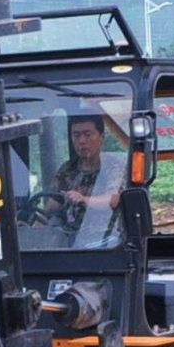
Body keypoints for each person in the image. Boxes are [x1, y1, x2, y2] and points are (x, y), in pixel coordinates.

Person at [46, 105, 126, 248]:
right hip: (71, 239)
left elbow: (112, 200)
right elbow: (52, 206)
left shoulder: (114, 166)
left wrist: (83, 199)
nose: (82, 141)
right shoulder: (67, 169)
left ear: (101, 137)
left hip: (107, 241)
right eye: (76, 135)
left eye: (88, 134)